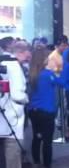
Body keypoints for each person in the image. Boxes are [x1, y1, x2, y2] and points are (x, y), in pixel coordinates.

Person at [28, 47, 62, 168]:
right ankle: (47, 165)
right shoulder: (48, 74)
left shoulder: (32, 74)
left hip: (33, 110)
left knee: (37, 136)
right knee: (47, 141)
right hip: (46, 112)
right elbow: (62, 82)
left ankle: (36, 162)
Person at [0, 37, 29, 168]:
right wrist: (26, 98)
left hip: (3, 116)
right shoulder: (14, 66)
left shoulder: (3, 62)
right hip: (13, 118)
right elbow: (18, 95)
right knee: (12, 154)